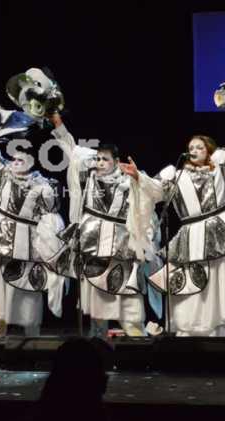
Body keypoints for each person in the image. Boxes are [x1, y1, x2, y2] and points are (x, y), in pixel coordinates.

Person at [122, 118, 225, 336]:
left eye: (199, 147)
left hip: (219, 230)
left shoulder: (219, 168)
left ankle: (221, 327)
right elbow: (156, 190)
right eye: (191, 148)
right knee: (192, 281)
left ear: (209, 150)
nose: (194, 150)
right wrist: (138, 176)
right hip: (191, 235)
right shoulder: (177, 175)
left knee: (219, 280)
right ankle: (194, 327)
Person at [50, 111, 160, 337]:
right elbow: (71, 148)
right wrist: (57, 122)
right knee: (96, 299)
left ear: (116, 162)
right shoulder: (89, 176)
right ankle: (98, 340)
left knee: (127, 297)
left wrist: (138, 177)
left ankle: (136, 335)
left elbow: (152, 199)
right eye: (98, 158)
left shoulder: (128, 181)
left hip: (121, 244)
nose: (100, 163)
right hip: (92, 241)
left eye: (105, 159)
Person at [0, 139, 66, 337]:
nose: (16, 163)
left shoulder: (44, 186)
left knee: (25, 287)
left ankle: (32, 333)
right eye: (14, 159)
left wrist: (50, 245)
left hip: (26, 242)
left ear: (32, 161)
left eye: (21, 160)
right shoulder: (3, 174)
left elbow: (50, 217)